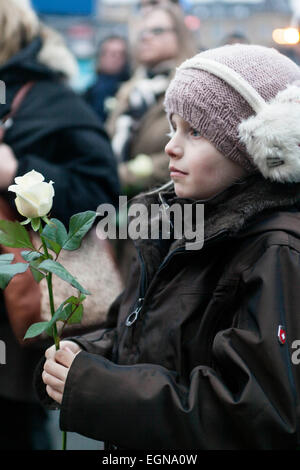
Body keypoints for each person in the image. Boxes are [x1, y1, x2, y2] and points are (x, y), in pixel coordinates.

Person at [37, 44, 300, 449]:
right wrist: (82, 355)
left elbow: (253, 412)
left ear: (257, 147)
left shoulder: (274, 250)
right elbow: (145, 335)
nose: (171, 146)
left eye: (195, 131)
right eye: (172, 127)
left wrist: (96, 387)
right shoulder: (173, 225)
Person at [0, 0, 120, 450]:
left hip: (20, 310)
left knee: (17, 429)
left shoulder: (49, 99)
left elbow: (101, 192)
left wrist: (17, 170)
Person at [106, 3, 196, 196]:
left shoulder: (191, 87)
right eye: (143, 32)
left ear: (179, 36)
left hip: (168, 207)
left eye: (157, 30)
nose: (146, 37)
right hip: (117, 203)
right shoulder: (131, 89)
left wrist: (126, 175)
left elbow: (194, 150)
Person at [84, 35, 130, 123]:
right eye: (112, 54)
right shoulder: (90, 93)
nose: (117, 58)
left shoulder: (131, 89)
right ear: (101, 57)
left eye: (121, 54)